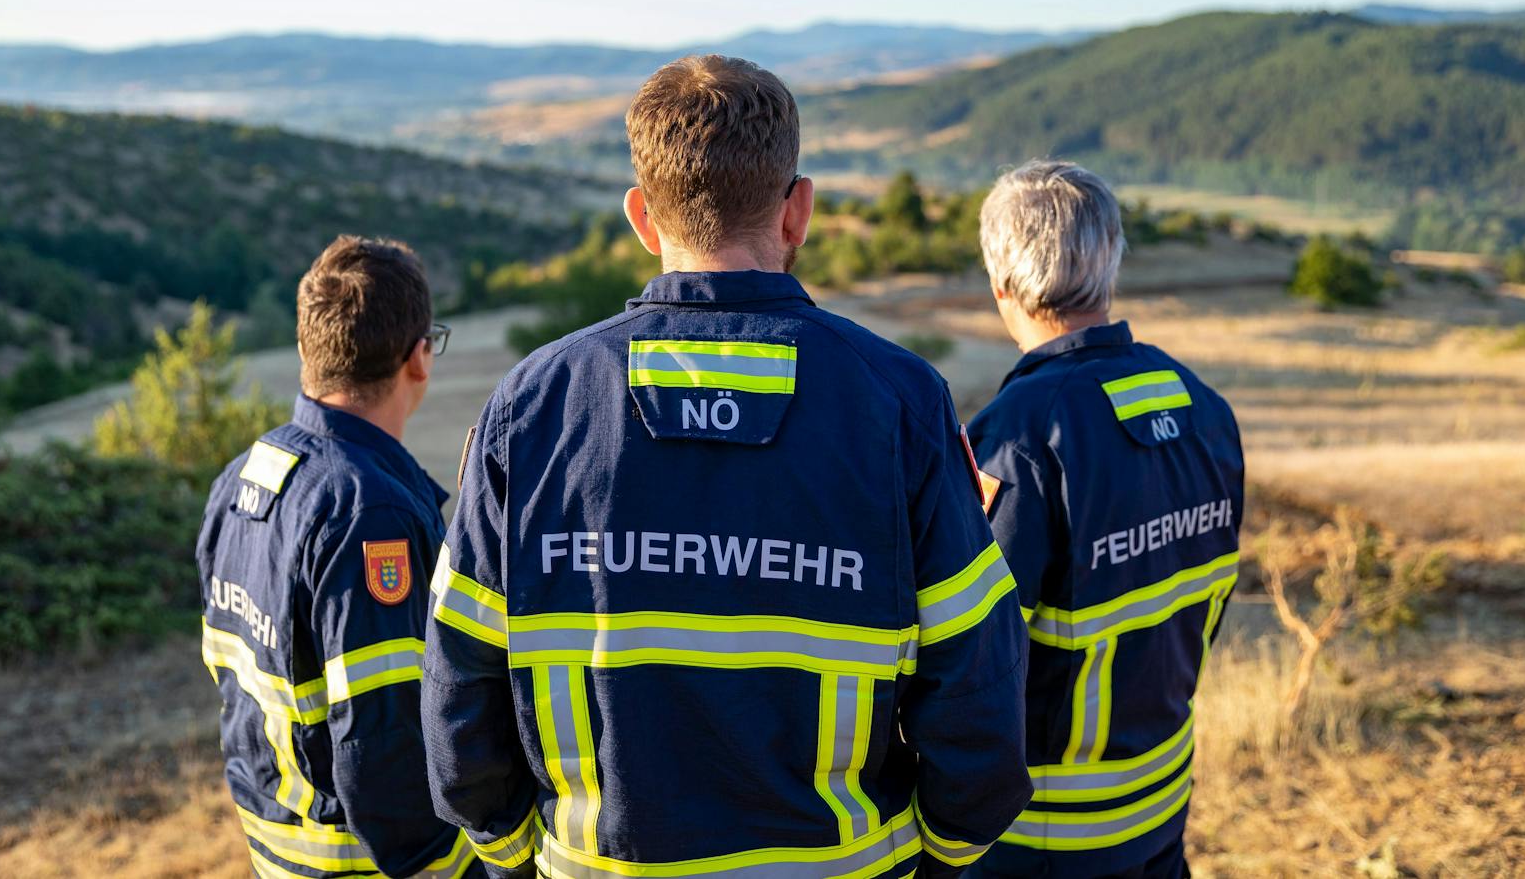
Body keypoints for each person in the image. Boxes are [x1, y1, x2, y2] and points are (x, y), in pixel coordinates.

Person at [420, 55, 1032, 879]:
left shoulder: (529, 410)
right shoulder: (900, 403)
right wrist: (945, 854)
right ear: (797, 212)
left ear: (642, 216)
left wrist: (514, 854)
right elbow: (979, 693)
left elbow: (459, 694)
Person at [963, 162, 1244, 878]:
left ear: (1000, 283)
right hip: (1161, 805)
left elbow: (975, 658)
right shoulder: (1203, 407)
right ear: (1113, 254)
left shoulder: (1015, 437)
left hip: (1044, 838)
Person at [197, 236, 478, 879]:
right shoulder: (370, 514)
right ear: (420, 357)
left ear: (307, 350)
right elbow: (383, 746)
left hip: (275, 849)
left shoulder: (242, 479)